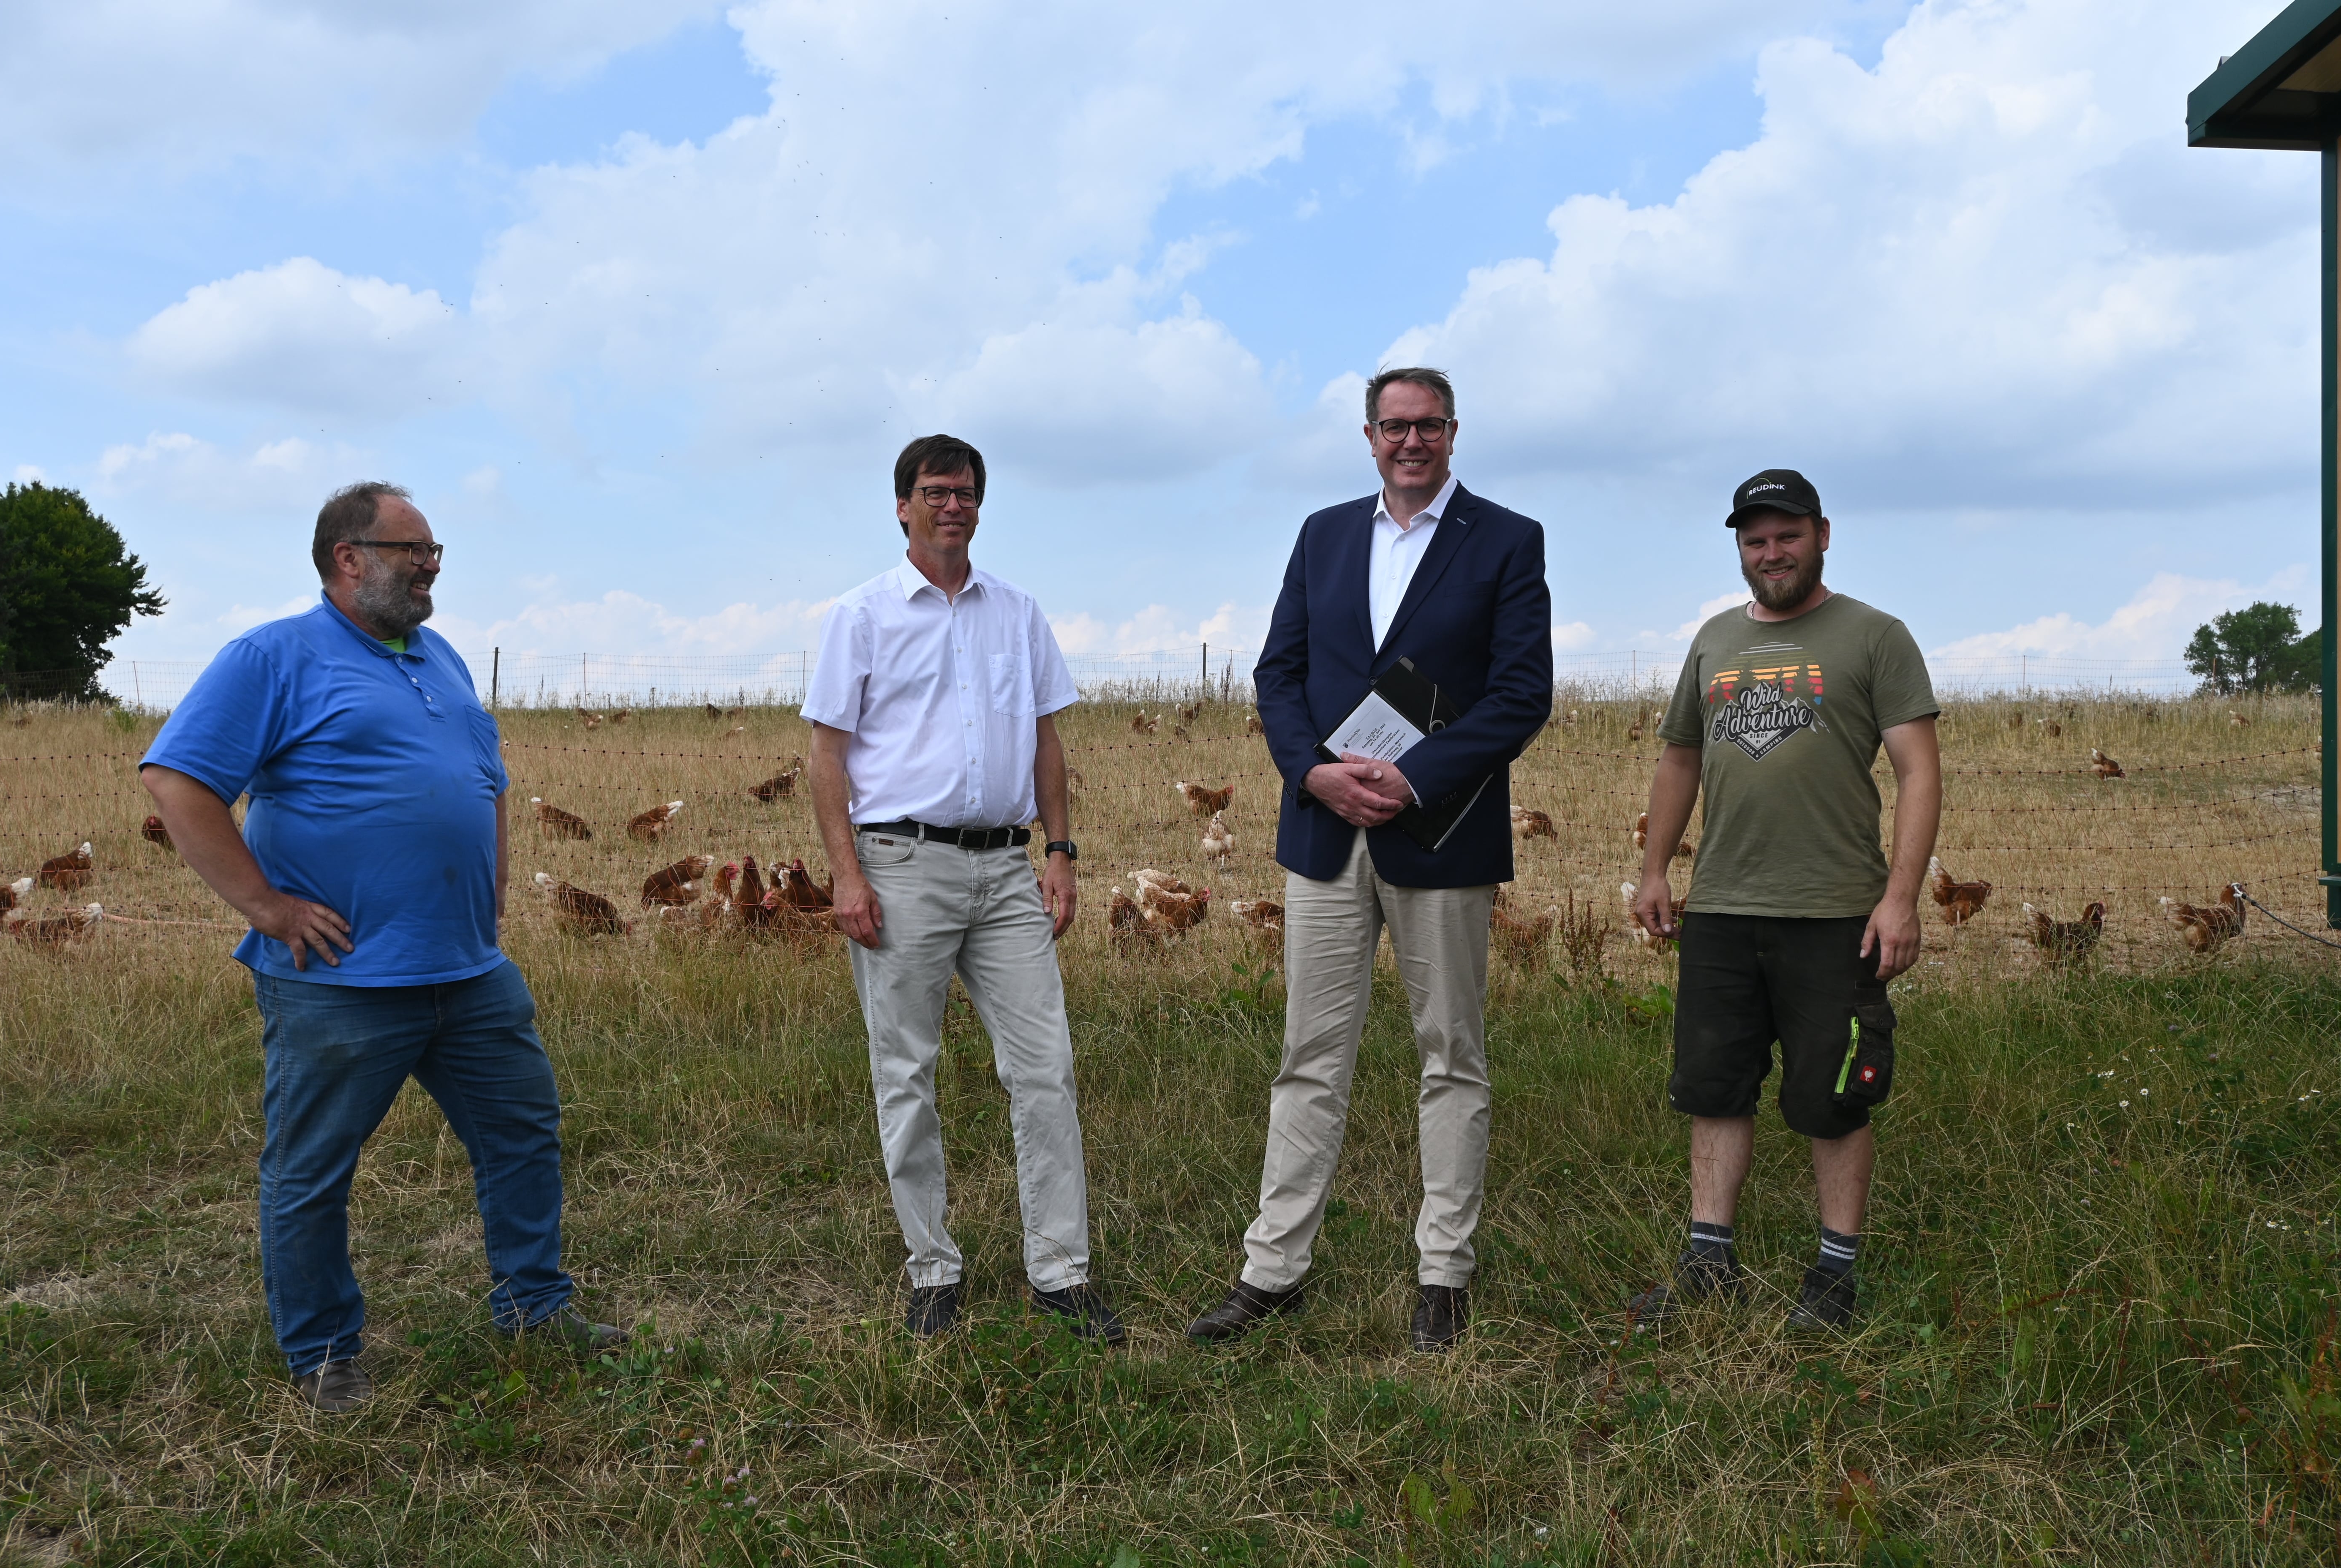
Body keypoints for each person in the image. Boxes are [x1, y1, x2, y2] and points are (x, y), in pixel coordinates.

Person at [139, 482, 624, 1414]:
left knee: (523, 1135)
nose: (431, 563)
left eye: (436, 549)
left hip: (469, 969)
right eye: (412, 549)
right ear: (346, 558)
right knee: (314, 1168)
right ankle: (325, 1353)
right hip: (342, 980)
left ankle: (534, 1307)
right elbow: (176, 780)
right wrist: (269, 907)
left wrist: (487, 897)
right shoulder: (272, 656)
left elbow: (483, 781)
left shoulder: (438, 656)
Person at [1188, 367, 1552, 1353]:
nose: (1411, 441)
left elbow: (1521, 694)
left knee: (1452, 1058)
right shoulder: (1325, 534)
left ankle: (1444, 1275)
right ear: (1368, 434)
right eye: (1395, 426)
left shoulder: (1509, 541)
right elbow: (1280, 672)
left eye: (1429, 425)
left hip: (1438, 834)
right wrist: (1313, 775)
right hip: (1325, 836)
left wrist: (1416, 777)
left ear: (1454, 431)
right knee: (1309, 1057)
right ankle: (1274, 1269)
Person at [802, 434, 1119, 1345]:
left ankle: (1060, 1271)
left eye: (967, 491)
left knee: (1045, 1067)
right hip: (902, 865)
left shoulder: (1017, 614)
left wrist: (1059, 850)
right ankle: (933, 1268)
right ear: (902, 505)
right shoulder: (860, 617)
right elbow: (826, 754)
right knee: (907, 1071)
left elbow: (1048, 742)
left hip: (1004, 866)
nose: (953, 505)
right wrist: (847, 874)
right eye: (936, 491)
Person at [1628, 468, 1941, 1331]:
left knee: (1833, 1093)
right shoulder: (1714, 640)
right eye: (1755, 540)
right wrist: (1657, 869)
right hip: (1723, 905)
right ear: (1740, 548)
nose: (1771, 553)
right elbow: (1679, 761)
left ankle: (1835, 1277)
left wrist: (1900, 896)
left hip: (1836, 909)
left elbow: (1919, 770)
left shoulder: (1875, 636)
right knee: (1714, 1086)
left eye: (1787, 535)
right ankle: (1708, 1262)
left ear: (1823, 534)